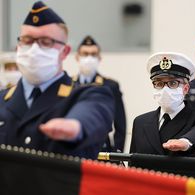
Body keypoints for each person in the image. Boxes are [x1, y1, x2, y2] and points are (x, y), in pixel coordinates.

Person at [0, 1, 114, 159]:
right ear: (18, 46)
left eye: (45, 42)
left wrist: (75, 126)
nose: (34, 50)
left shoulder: (87, 95)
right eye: (27, 41)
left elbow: (93, 114)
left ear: (64, 51)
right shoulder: (3, 99)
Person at [130, 52, 195, 158]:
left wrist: (186, 142)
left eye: (172, 83)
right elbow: (133, 163)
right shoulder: (140, 122)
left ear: (185, 89)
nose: (165, 90)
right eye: (159, 83)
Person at [74, 36, 126, 152]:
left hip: (101, 149)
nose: (89, 58)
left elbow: (120, 125)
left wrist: (117, 155)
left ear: (99, 58)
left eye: (93, 54)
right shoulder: (67, 85)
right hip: (71, 148)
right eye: (85, 54)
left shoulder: (110, 86)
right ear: (77, 57)